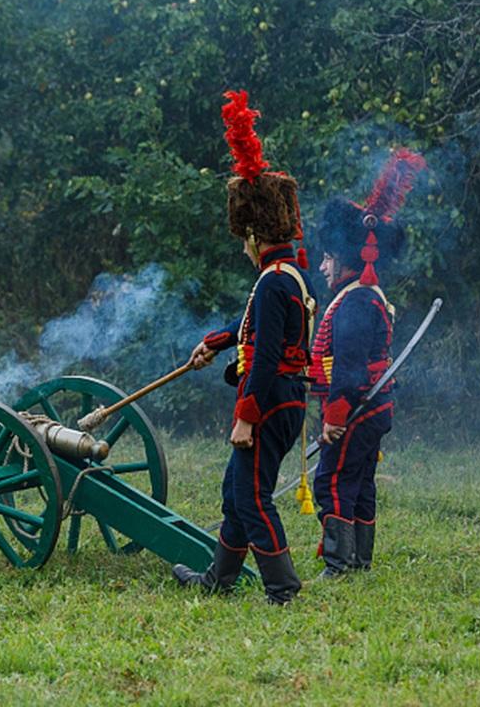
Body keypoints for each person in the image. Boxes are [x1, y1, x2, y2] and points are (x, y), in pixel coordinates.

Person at [172, 90, 316, 605]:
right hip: (286, 397)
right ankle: (219, 580)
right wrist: (215, 341)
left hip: (270, 398)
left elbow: (268, 354)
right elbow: (254, 325)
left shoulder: (275, 280)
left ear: (253, 232)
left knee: (252, 499)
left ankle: (283, 589)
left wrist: (246, 416)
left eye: (243, 236)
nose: (241, 246)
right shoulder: (287, 275)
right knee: (236, 496)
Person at [308, 149, 421, 577]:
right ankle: (358, 561)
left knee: (333, 481)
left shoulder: (356, 300)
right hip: (372, 409)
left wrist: (334, 416)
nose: (321, 265)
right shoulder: (363, 295)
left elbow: (351, 367)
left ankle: (339, 564)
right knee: (359, 483)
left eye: (328, 258)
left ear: (346, 259)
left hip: (354, 408)